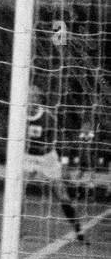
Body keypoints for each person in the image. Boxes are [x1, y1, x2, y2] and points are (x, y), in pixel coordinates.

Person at [24, 101, 84, 240]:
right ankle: (16, 230)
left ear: (37, 100)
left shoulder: (48, 117)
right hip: (27, 157)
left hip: (47, 157)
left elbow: (54, 142)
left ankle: (78, 230)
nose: (29, 101)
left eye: (32, 97)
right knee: (17, 192)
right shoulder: (18, 115)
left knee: (61, 193)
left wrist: (62, 164)